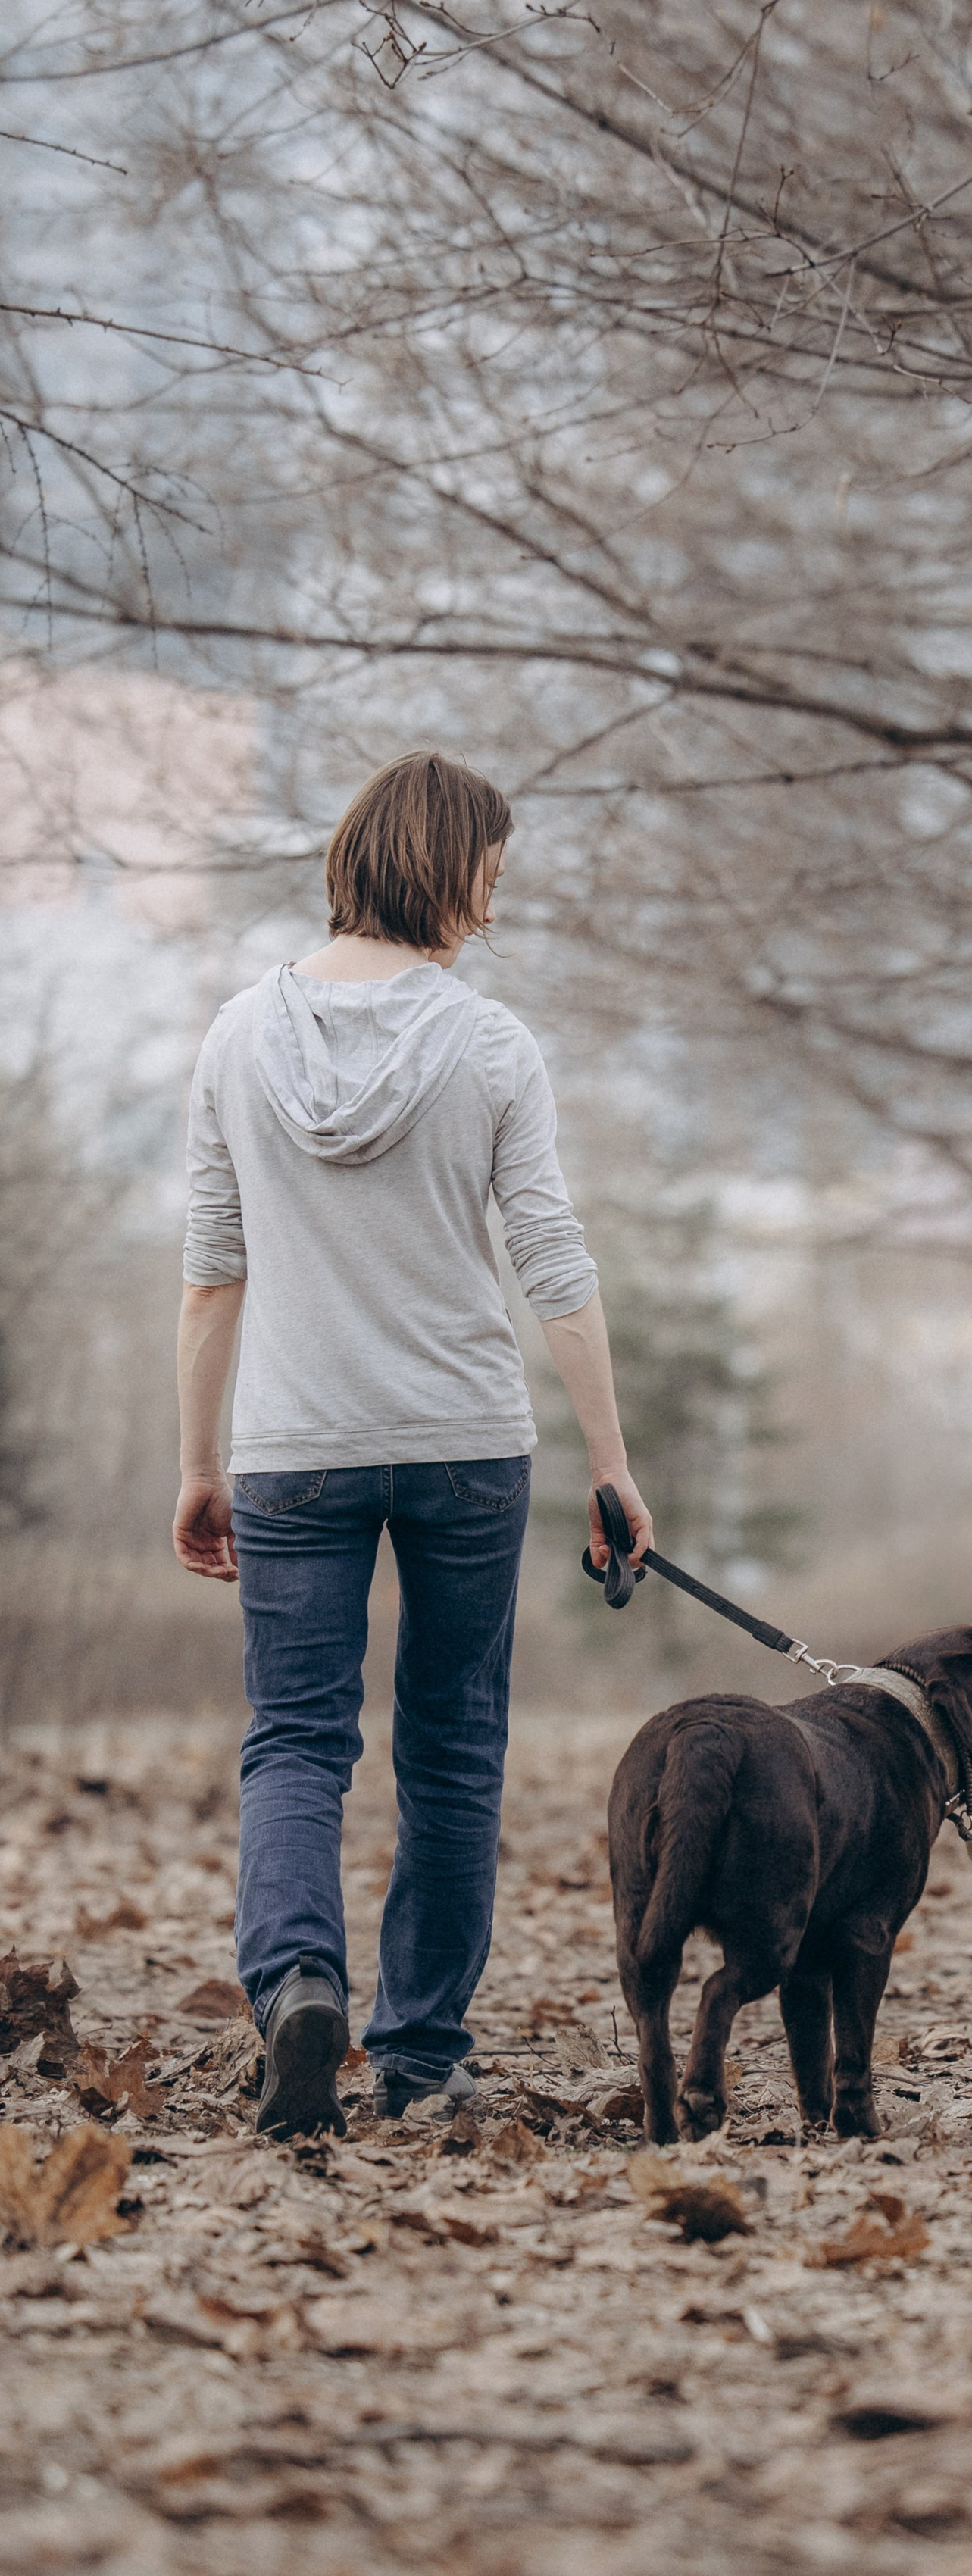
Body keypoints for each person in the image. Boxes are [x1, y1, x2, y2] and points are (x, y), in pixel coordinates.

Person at [172, 752, 651, 2137]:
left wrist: (199, 1462)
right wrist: (610, 1461)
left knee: (296, 1742)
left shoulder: (234, 1039)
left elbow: (214, 1270)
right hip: (462, 1446)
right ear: (452, 872)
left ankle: (299, 1985)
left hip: (294, 1446)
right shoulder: (491, 1044)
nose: (492, 905)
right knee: (453, 1747)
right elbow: (552, 1260)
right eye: (490, 876)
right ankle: (427, 2049)